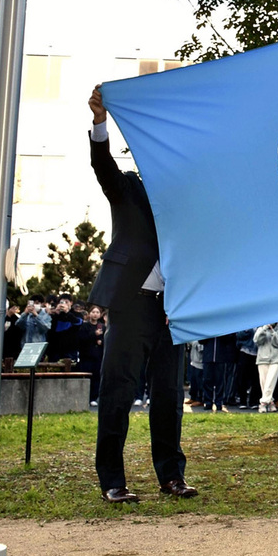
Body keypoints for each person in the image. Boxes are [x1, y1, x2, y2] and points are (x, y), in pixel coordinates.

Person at [87, 85, 196, 503]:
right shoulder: (128, 188)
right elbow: (102, 165)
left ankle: (172, 477)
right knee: (117, 391)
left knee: (169, 396)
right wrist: (100, 122)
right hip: (130, 304)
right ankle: (113, 481)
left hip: (173, 309)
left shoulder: (188, 199)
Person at [76, 305, 106, 405]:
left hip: (98, 356)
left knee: (96, 377)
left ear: (100, 314)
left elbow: (106, 340)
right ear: (89, 313)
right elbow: (81, 339)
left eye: (97, 312)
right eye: (93, 312)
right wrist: (94, 335)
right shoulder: (85, 326)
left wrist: (101, 341)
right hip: (86, 356)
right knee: (86, 376)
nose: (95, 314)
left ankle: (93, 397)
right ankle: (85, 396)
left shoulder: (102, 326)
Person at [253, 322, 278, 413]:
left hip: (276, 359)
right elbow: (257, 341)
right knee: (264, 382)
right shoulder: (261, 329)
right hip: (262, 358)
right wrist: (264, 329)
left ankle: (263, 403)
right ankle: (270, 402)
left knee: (271, 380)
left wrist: (273, 332)